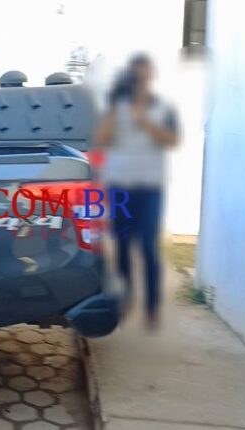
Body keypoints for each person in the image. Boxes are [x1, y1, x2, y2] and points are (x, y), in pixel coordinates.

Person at [93, 53, 179, 330]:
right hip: (121, 186)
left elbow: (172, 140)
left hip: (150, 187)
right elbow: (101, 139)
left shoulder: (164, 107)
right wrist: (115, 108)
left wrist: (145, 122)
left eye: (144, 74)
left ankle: (152, 307)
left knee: (149, 247)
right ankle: (126, 297)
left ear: (151, 75)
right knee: (122, 245)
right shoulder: (117, 106)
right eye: (135, 75)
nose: (140, 80)